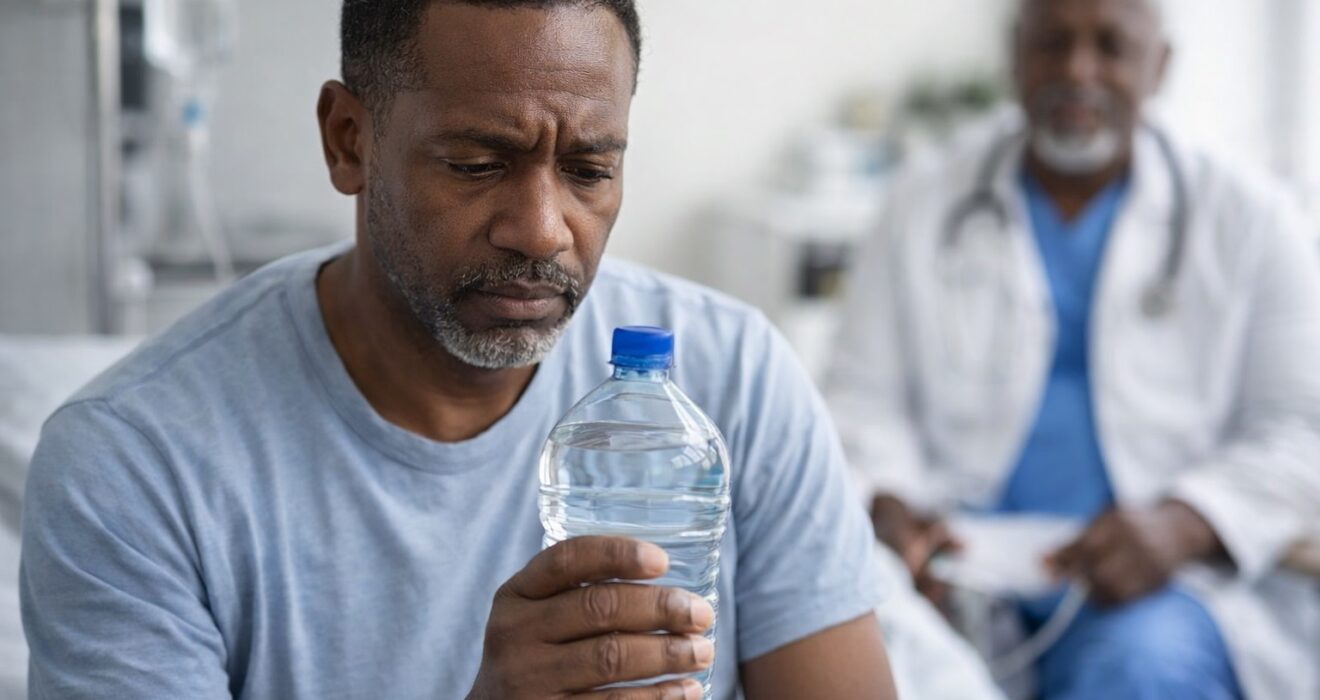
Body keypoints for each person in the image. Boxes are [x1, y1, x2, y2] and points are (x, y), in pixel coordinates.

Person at [20, 2, 898, 698]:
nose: (542, 231)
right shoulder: (132, 466)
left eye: (590, 170)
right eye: (479, 163)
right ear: (348, 140)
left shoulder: (735, 381)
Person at [826, 0, 1320, 698]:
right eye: (1053, 43)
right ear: (1014, 56)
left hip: (1161, 588)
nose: (1077, 70)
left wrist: (1187, 522)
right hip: (958, 568)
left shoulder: (1253, 219)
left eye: (1111, 47)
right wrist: (889, 497)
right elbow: (860, 399)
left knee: (1134, 671)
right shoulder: (924, 202)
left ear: (1161, 66)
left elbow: (1303, 430)